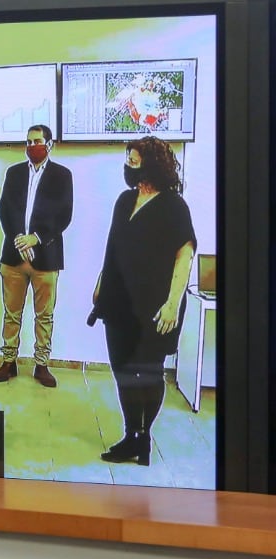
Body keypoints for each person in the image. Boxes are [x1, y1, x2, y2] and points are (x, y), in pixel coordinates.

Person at [93, 136, 195, 466]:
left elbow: (185, 254)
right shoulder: (125, 200)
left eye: (134, 161)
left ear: (152, 165)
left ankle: (144, 436)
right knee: (123, 371)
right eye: (127, 160)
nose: (129, 166)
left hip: (155, 306)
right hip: (118, 302)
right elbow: (113, 247)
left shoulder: (174, 206)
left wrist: (172, 304)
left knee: (149, 373)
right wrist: (101, 283)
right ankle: (131, 434)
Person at [0, 125, 74, 388]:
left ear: (49, 144)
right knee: (11, 313)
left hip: (46, 257)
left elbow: (64, 214)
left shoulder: (62, 175)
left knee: (44, 315)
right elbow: (5, 209)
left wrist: (36, 238)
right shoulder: (14, 172)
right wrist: (19, 239)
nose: (32, 146)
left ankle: (41, 364)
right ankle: (9, 361)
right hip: (13, 256)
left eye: (37, 141)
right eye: (28, 142)